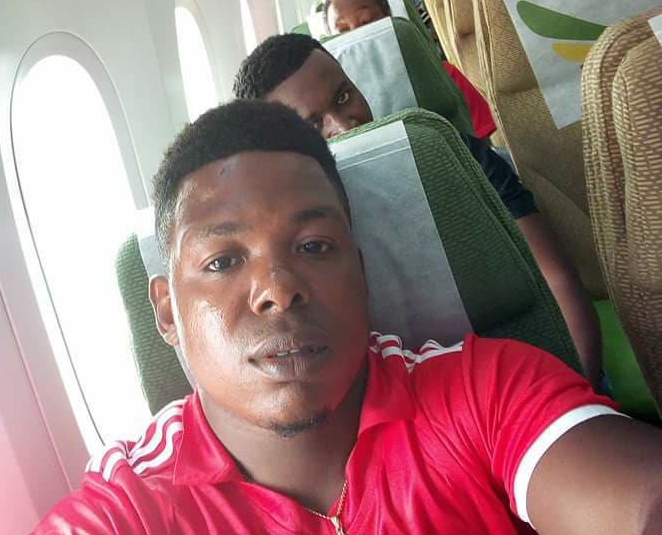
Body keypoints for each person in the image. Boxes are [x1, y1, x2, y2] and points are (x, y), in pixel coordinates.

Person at [0, 97, 662, 535]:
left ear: (360, 271)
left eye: (315, 245)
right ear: (168, 313)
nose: (278, 289)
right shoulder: (120, 529)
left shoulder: (480, 393)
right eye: (222, 260)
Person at [234, 34, 603, 385]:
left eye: (344, 97)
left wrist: (580, 391)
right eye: (314, 124)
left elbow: (555, 280)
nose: (343, 125)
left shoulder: (449, 155)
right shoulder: (281, 245)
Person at [324, 0, 498, 141]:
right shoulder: (333, 113)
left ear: (390, 21)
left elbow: (481, 144)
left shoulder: (440, 73)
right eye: (343, 32)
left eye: (367, 23)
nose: (358, 37)